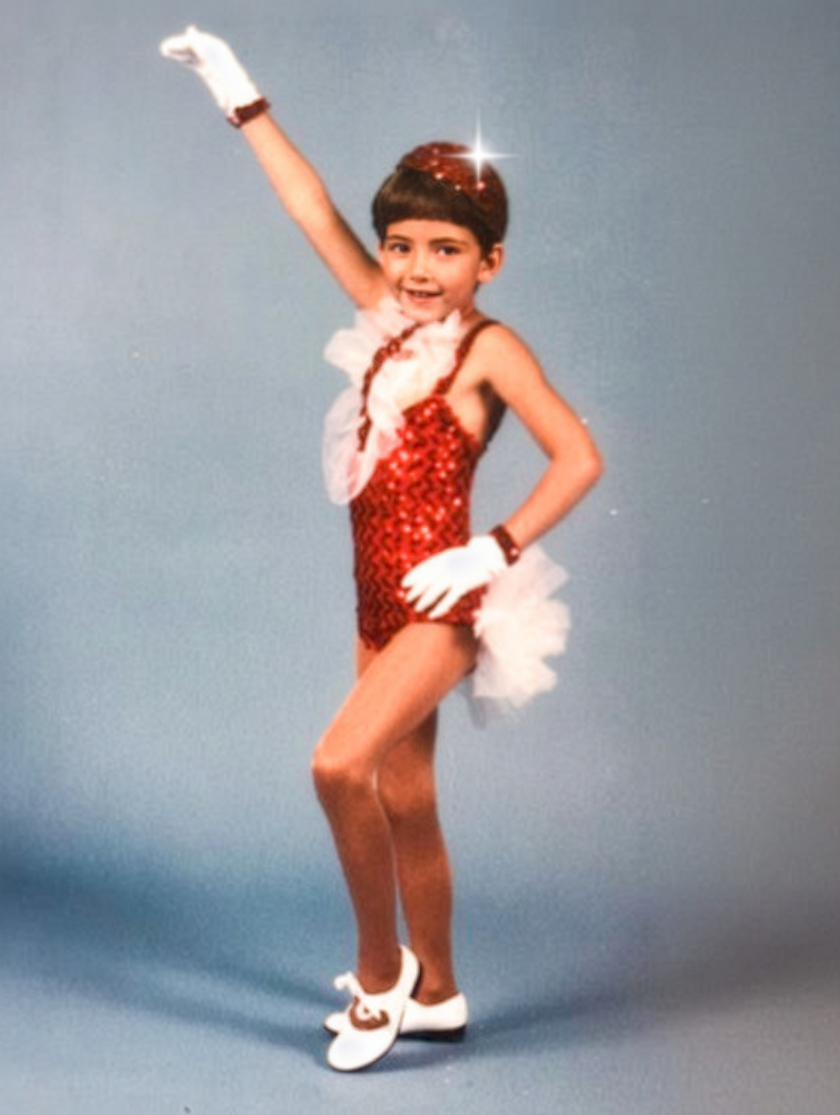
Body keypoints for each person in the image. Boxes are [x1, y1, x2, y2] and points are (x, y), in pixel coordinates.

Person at [160, 25, 604, 1073]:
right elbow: (310, 209)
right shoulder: (385, 315)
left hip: (442, 602)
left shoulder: (491, 347)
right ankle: (441, 991)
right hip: (374, 595)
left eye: (444, 250)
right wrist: (242, 96)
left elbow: (580, 457)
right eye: (399, 245)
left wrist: (491, 549)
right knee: (405, 797)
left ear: (490, 261)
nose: (413, 268)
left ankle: (380, 974)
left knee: (336, 763)